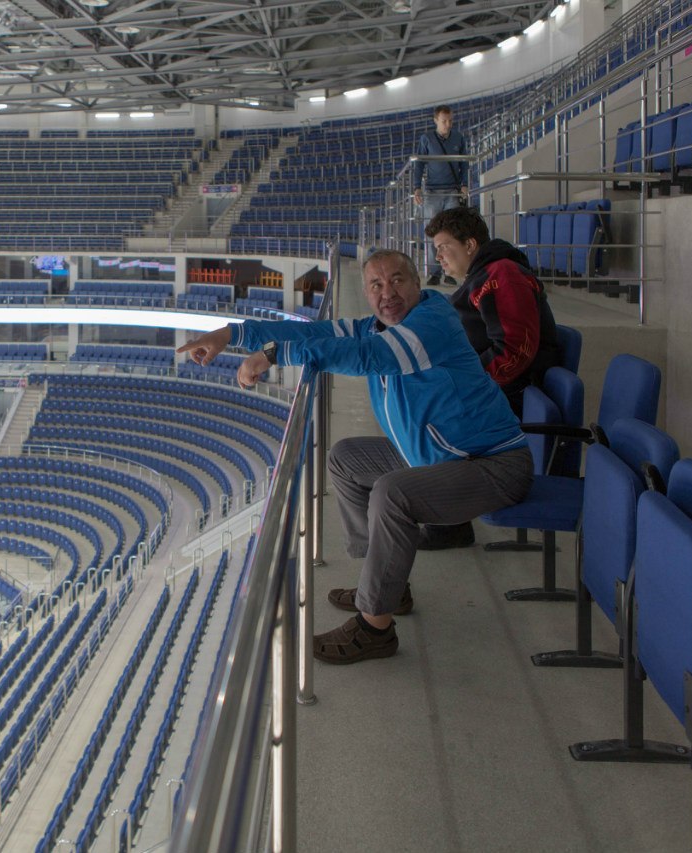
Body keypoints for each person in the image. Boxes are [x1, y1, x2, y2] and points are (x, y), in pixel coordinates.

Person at [177, 250, 532, 665]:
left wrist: (274, 355)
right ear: (365, 293)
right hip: (437, 457)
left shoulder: (433, 323)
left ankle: (374, 627)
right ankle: (384, 586)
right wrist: (230, 334)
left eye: (398, 281)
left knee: (392, 493)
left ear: (418, 283)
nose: (388, 293)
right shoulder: (376, 326)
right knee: (347, 459)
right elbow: (315, 334)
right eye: (376, 286)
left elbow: (372, 357)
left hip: (491, 465)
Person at [414, 206, 563, 550]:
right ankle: (449, 517)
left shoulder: (502, 275)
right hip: (501, 389)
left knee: (432, 417)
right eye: (435, 249)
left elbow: (515, 350)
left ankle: (449, 523)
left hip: (515, 393)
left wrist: (462, 389)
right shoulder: (483, 276)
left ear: (469, 244)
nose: (438, 256)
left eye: (443, 246)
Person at [411, 105, 469, 288]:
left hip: (452, 191)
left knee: (452, 233)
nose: (448, 124)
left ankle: (450, 271)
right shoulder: (426, 139)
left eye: (450, 120)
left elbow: (464, 164)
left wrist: (465, 183)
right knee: (432, 233)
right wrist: (416, 187)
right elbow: (419, 164)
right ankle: (434, 272)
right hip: (433, 192)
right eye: (444, 121)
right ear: (435, 120)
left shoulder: (459, 138)